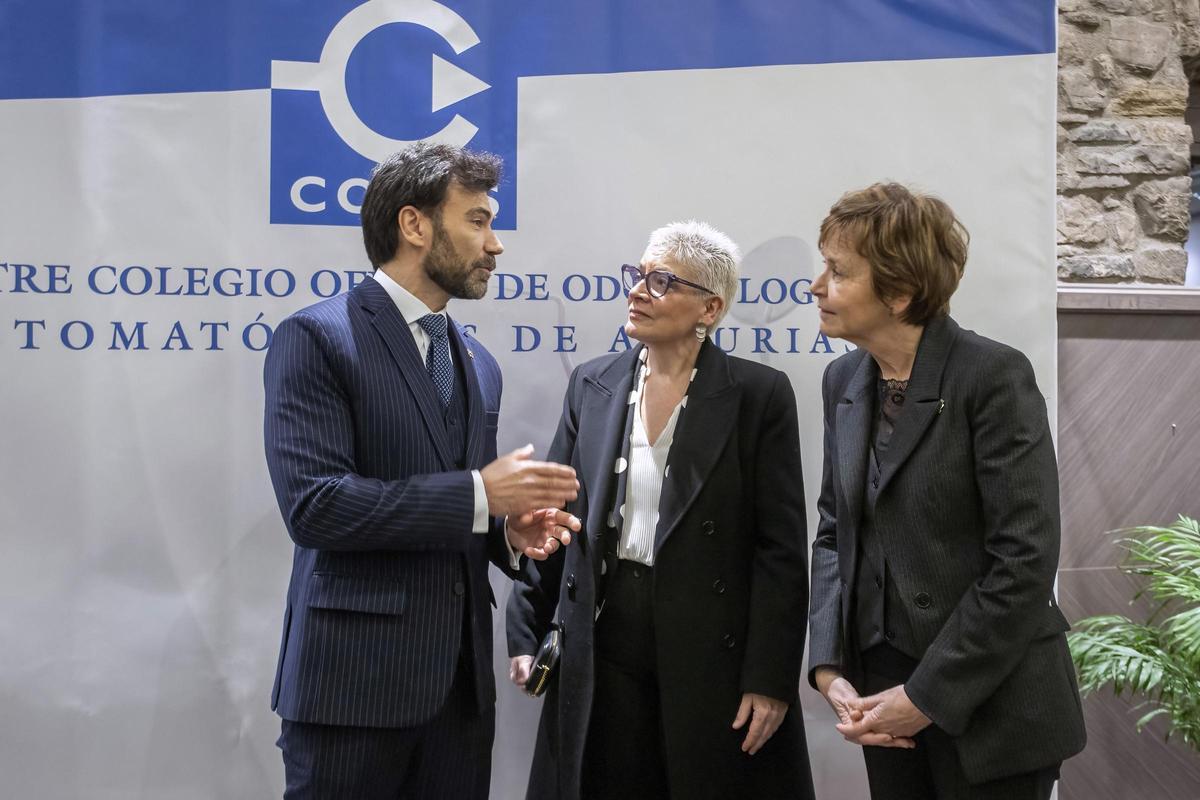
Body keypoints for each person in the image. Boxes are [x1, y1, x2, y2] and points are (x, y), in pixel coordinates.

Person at [263, 142, 581, 800]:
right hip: (351, 694)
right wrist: (476, 495)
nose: (495, 245)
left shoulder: (477, 362)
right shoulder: (317, 338)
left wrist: (505, 532)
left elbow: (458, 506)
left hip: (460, 699)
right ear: (415, 226)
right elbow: (316, 507)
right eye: (478, 221)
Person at [506, 221, 815, 800]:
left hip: (709, 650)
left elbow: (780, 552)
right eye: (638, 275)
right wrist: (527, 630)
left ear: (710, 306)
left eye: (661, 280)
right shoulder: (593, 384)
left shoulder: (759, 395)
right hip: (604, 636)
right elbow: (554, 516)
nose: (637, 291)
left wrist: (769, 679)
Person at [806, 183, 1087, 799]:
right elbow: (834, 532)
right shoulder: (844, 380)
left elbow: (1024, 562)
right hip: (884, 695)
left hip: (994, 705)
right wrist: (829, 665)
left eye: (837, 271)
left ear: (900, 293)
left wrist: (928, 696)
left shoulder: (991, 376)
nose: (816, 286)